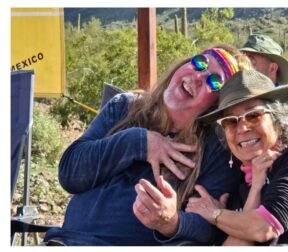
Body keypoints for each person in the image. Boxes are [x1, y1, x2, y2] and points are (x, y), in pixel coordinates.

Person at [45, 46, 248, 245]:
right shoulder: (124, 106)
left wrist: (172, 223)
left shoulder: (216, 150)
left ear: (217, 104)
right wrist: (138, 142)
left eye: (214, 82)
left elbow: (209, 232)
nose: (197, 77)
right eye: (200, 63)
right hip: (66, 241)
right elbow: (69, 174)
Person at [187, 70, 288, 245]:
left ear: (279, 120)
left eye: (253, 115)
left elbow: (264, 228)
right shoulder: (239, 176)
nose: (242, 128)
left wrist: (214, 214)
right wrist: (255, 188)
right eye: (230, 121)